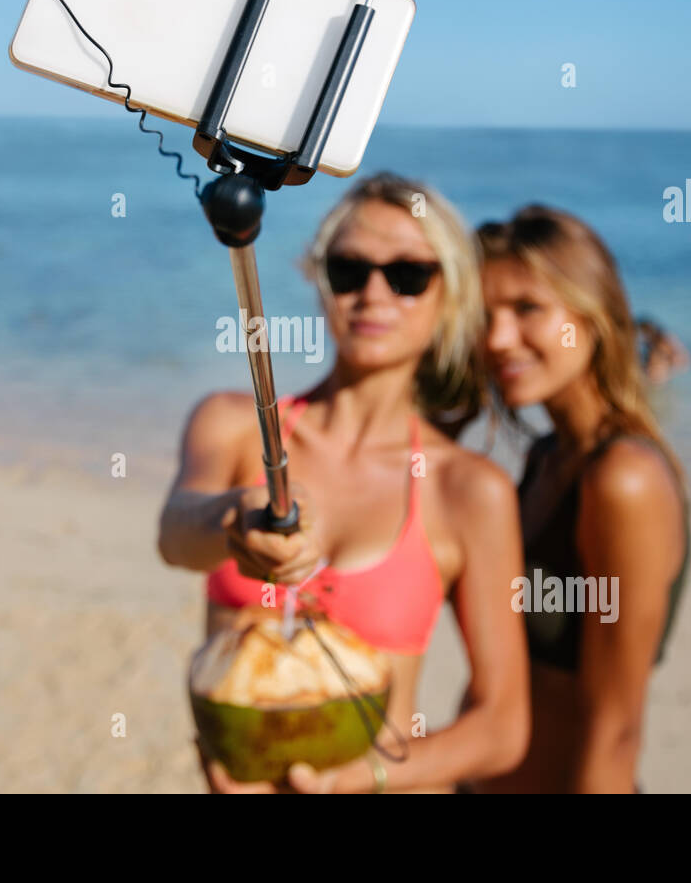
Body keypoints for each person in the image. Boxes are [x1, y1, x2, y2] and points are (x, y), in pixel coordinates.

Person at [158, 173, 529, 793]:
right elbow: (174, 536)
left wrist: (363, 778)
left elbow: (502, 726)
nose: (374, 293)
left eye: (409, 275)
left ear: (451, 294)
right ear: (320, 280)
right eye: (349, 270)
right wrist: (235, 519)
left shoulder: (465, 489)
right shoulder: (235, 428)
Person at [465, 204, 690, 793]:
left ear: (592, 314)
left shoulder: (623, 481)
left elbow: (615, 728)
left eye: (527, 309)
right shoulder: (545, 458)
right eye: (484, 315)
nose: (497, 338)